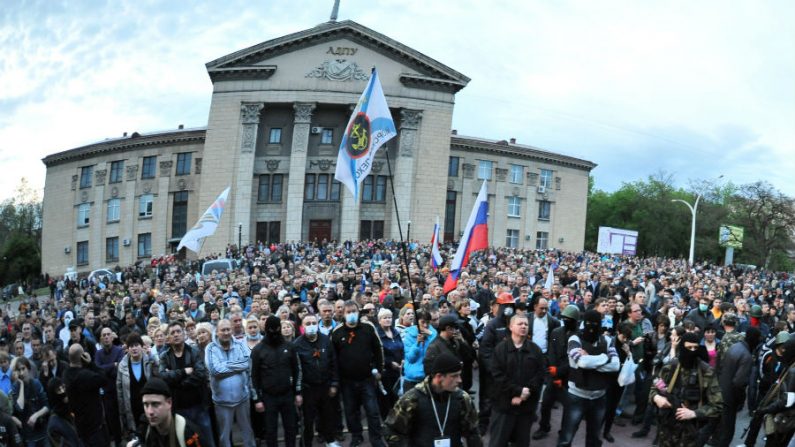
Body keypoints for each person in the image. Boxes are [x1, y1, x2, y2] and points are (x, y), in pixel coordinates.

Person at [384, 351, 482, 447]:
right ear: (439, 376)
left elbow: (473, 432)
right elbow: (391, 430)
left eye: (459, 375)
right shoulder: (411, 399)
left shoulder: (462, 399)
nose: (459, 380)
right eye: (454, 376)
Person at [556, 309, 620, 447]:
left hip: (599, 397)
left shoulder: (607, 340)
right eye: (589, 323)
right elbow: (582, 362)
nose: (592, 326)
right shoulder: (574, 339)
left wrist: (592, 361)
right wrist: (605, 357)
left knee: (594, 439)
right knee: (566, 437)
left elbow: (615, 366)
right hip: (576, 396)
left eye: (595, 323)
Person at [649, 332, 723, 447]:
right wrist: (656, 397)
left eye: (695, 348)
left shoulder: (706, 372)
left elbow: (718, 406)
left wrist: (694, 413)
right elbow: (654, 388)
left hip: (690, 432)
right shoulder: (671, 367)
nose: (692, 351)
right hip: (667, 428)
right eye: (689, 347)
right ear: (682, 347)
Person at [331, 300, 386, 447]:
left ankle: (376, 438)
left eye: (354, 311)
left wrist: (379, 370)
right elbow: (333, 358)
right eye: (348, 312)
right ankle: (356, 436)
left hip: (367, 378)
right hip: (347, 381)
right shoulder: (337, 333)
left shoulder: (368, 328)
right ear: (343, 314)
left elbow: (378, 348)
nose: (351, 315)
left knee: (372, 411)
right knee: (351, 412)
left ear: (358, 312)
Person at [488, 313, 545, 447]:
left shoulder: (535, 350)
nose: (524, 326)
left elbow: (540, 374)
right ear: (511, 326)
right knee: (498, 442)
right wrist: (517, 391)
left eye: (526, 324)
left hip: (526, 407)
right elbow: (497, 376)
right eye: (520, 324)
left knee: (522, 442)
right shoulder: (501, 349)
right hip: (504, 406)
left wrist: (526, 393)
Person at [158, 321, 214, 447]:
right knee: (186, 442)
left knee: (207, 440)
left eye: (178, 331)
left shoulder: (194, 351)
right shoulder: (164, 356)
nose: (176, 335)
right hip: (179, 409)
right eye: (172, 333)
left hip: (199, 406)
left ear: (184, 334)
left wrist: (177, 382)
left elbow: (200, 374)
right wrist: (184, 371)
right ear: (168, 338)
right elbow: (162, 376)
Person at [250, 316, 301, 447]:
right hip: (268, 397)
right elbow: (253, 376)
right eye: (271, 329)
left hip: (287, 395)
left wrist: (298, 392)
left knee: (291, 428)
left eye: (277, 328)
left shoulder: (290, 347)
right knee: (270, 431)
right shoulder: (257, 350)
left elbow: (297, 371)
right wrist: (257, 400)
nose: (274, 331)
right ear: (266, 329)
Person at [205, 319, 256, 447]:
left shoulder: (240, 345)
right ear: (217, 332)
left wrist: (225, 366)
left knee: (248, 432)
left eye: (228, 329)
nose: (226, 332)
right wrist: (237, 367)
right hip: (222, 402)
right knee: (224, 436)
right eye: (223, 330)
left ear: (232, 330)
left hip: (242, 398)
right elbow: (215, 370)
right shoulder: (210, 348)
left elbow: (247, 363)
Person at [293, 313, 341, 447]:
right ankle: (306, 444)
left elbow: (333, 363)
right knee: (307, 421)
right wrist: (298, 392)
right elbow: (295, 370)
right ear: (302, 327)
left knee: (328, 416)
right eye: (308, 324)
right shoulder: (297, 345)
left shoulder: (326, 340)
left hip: (325, 386)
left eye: (314, 323)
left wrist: (334, 384)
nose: (311, 326)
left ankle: (330, 440)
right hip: (308, 389)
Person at [535, 304, 579, 440]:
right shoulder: (556, 332)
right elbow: (551, 353)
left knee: (568, 409)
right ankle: (544, 427)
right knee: (545, 404)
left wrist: (560, 373)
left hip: (568, 379)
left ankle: (564, 432)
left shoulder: (578, 336)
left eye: (569, 319)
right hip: (553, 376)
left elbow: (573, 359)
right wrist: (553, 374)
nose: (566, 320)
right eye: (564, 318)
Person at [133, 377, 210, 447]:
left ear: (169, 403)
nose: (150, 412)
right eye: (146, 405)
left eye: (155, 404)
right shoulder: (145, 426)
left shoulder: (188, 432)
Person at [63, 343, 109, 446]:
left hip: (80, 427)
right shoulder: (85, 376)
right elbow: (103, 379)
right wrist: (90, 363)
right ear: (82, 357)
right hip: (95, 428)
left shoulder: (66, 374)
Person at [117, 332, 157, 440]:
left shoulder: (149, 360)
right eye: (131, 346)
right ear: (128, 348)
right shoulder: (122, 365)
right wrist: (122, 413)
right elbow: (119, 390)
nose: (134, 348)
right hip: (132, 407)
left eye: (136, 345)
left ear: (141, 346)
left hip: (149, 405)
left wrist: (153, 358)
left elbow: (158, 375)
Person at [10, 357, 49, 446]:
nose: (22, 373)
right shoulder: (15, 387)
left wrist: (36, 415)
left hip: (42, 431)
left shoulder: (36, 383)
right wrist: (22, 384)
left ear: (29, 369)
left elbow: (47, 406)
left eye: (23, 368)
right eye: (19, 370)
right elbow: (20, 408)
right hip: (28, 435)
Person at [376, 308, 404, 418]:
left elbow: (402, 348)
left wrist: (403, 359)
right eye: (385, 318)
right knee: (386, 401)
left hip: (398, 372)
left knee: (398, 400)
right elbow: (377, 353)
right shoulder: (377, 335)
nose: (388, 320)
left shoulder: (396, 332)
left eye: (389, 317)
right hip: (385, 373)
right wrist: (389, 362)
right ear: (379, 320)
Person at [401, 309, 437, 390]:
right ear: (417, 322)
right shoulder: (409, 335)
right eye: (422, 322)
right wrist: (417, 344)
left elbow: (437, 349)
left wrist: (431, 335)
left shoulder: (433, 333)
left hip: (429, 377)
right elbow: (410, 358)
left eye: (427, 322)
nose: (425, 325)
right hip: (412, 379)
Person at [45, 378, 80, 447]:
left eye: (63, 387)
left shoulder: (72, 410)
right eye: (59, 390)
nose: (63, 391)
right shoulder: (53, 426)